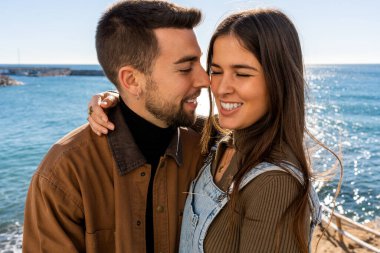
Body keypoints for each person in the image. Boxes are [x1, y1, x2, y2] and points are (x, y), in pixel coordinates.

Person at [89, 8, 343, 253]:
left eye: (242, 74)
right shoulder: (221, 139)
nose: (220, 88)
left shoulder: (276, 185)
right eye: (216, 71)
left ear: (279, 79)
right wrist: (120, 98)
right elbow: (164, 113)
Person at [22, 1, 210, 252]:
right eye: (185, 68)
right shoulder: (64, 174)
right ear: (131, 80)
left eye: (200, 62)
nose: (205, 79)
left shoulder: (207, 148)